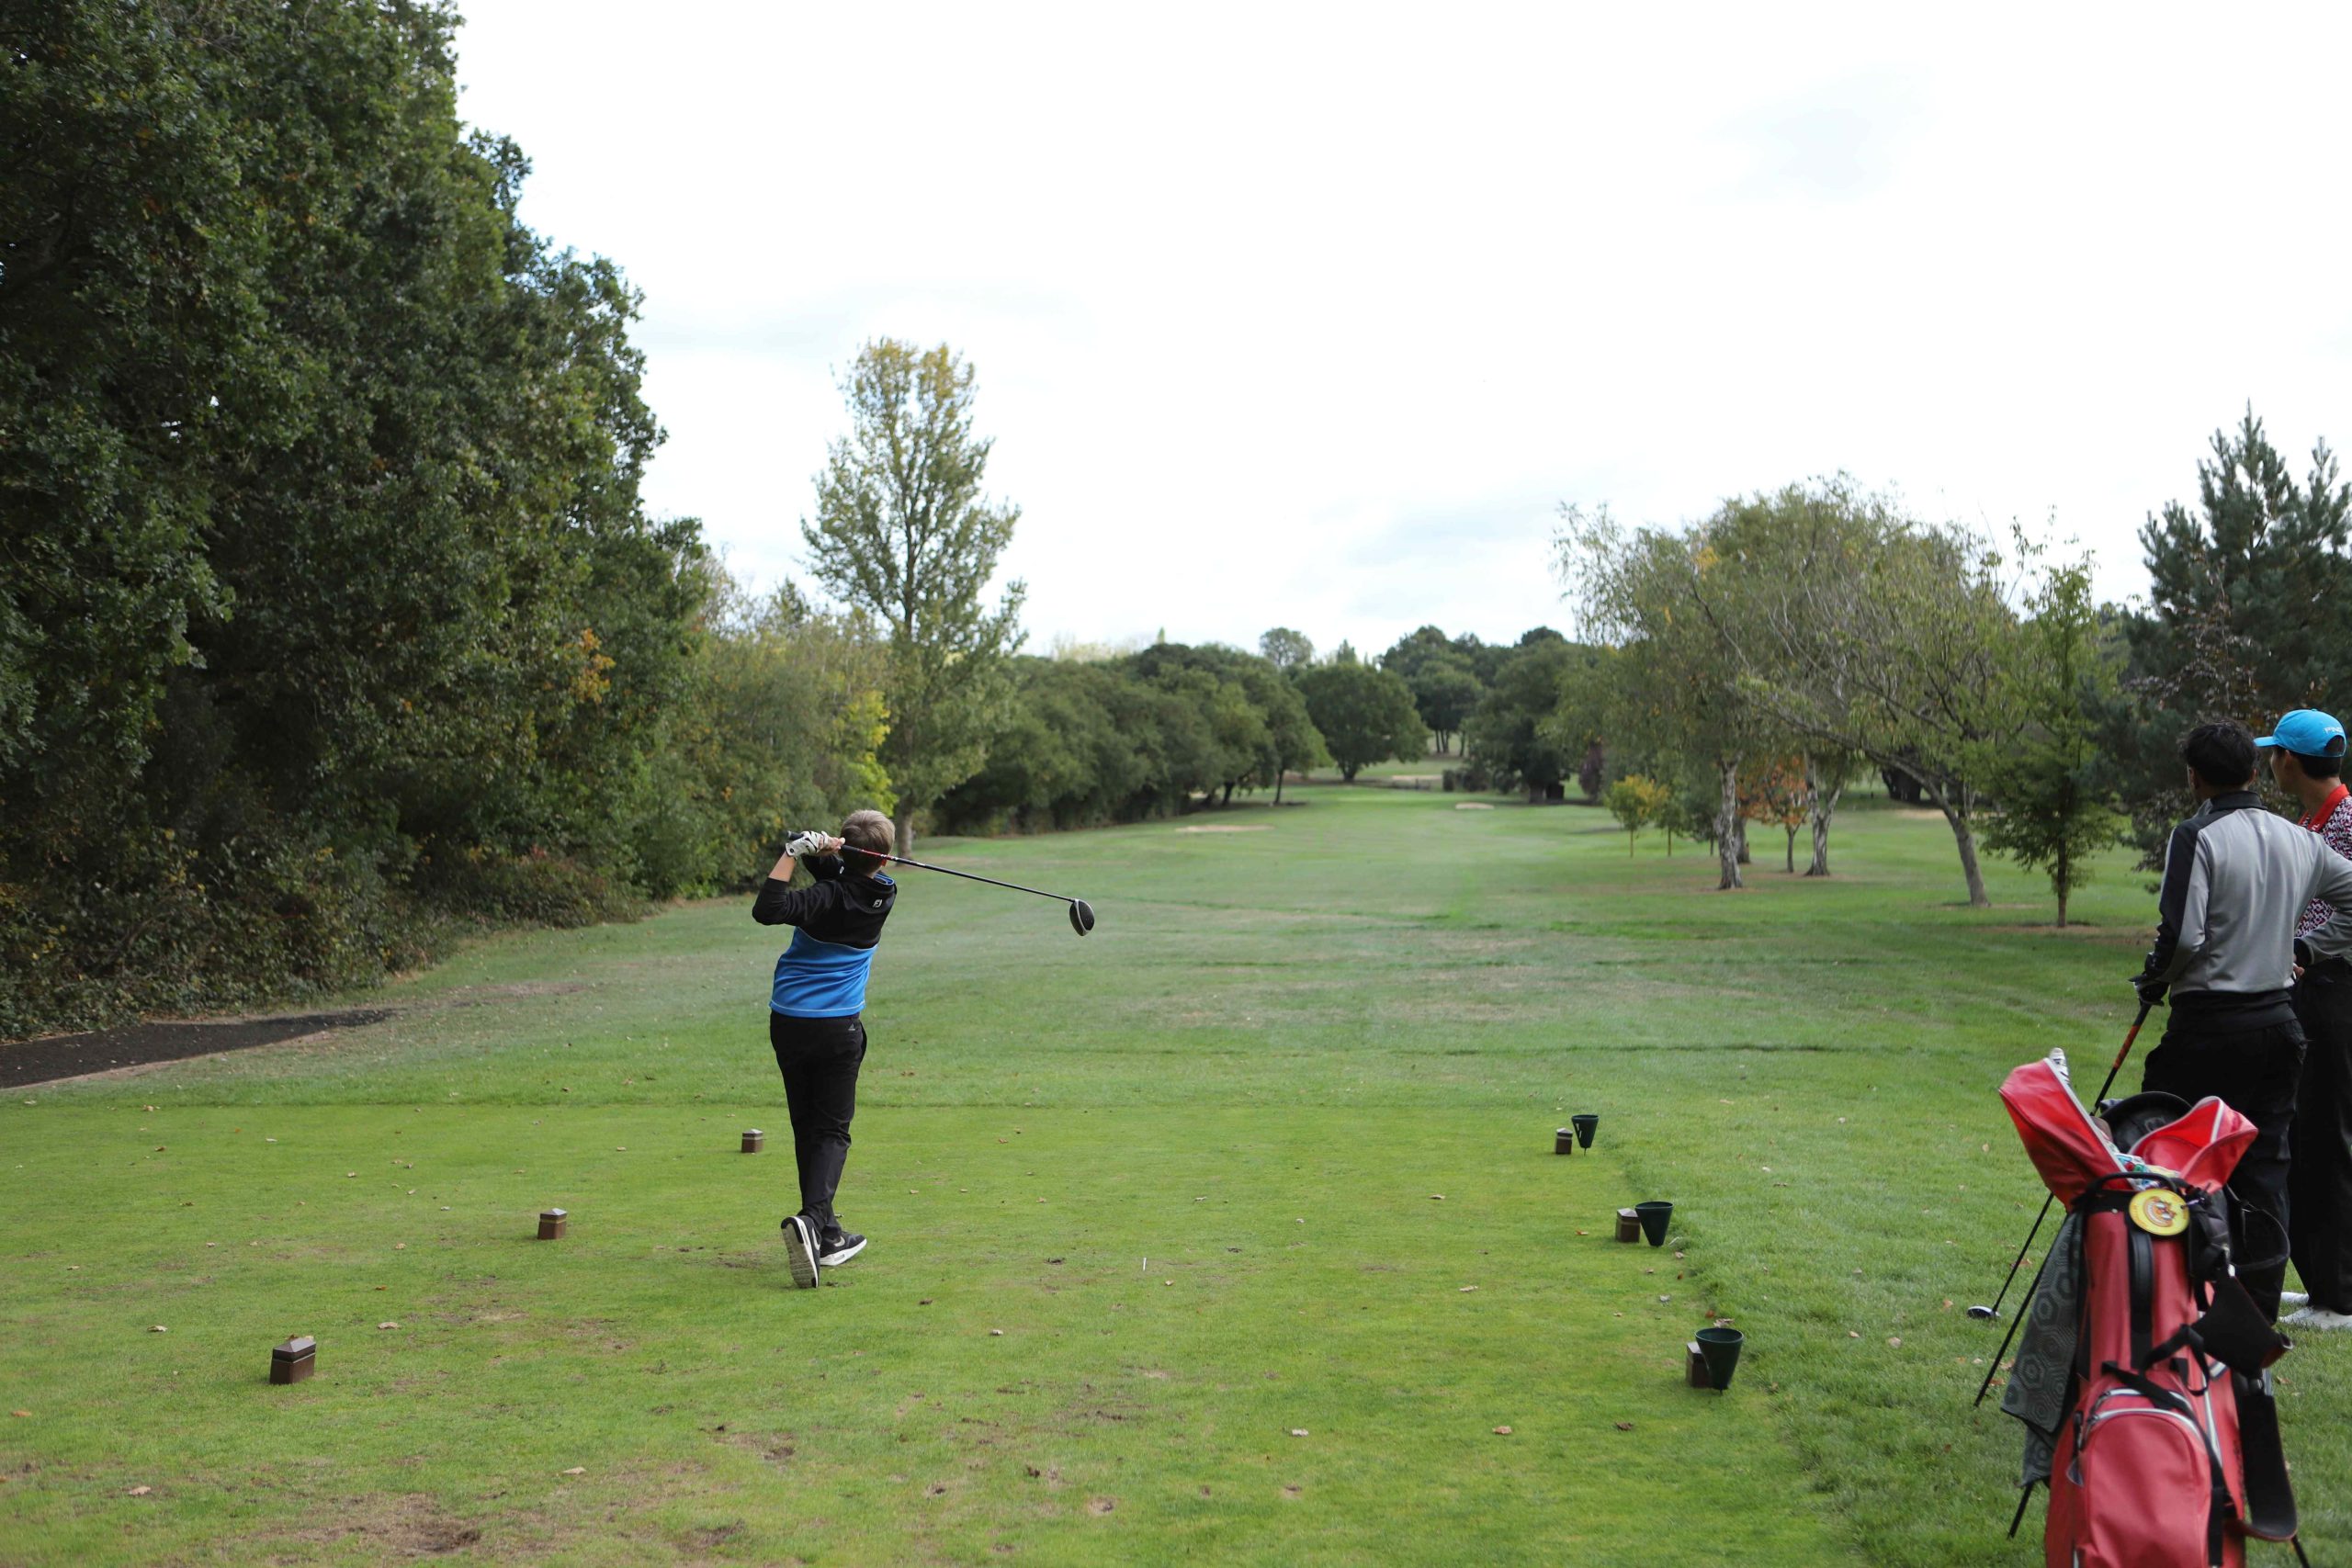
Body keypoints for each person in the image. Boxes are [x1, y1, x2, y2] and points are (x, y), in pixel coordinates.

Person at [2132, 720, 2352, 1321]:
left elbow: (2184, 937)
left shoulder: (2196, 834)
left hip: (2207, 1023)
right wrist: (2304, 949)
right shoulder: (2298, 836)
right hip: (2279, 1023)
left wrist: (2155, 977)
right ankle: (2253, 1312)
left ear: (2195, 777)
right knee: (2264, 1167)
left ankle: (2172, 1290)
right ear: (2256, 772)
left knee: (2168, 1150)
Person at [752, 809, 898, 1289]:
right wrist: (824, 850)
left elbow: (769, 908)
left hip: (789, 1022)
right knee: (832, 1131)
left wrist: (794, 852)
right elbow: (839, 878)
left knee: (806, 1125)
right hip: (837, 1029)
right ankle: (815, 1223)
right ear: (882, 859)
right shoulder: (882, 893)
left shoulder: (823, 898)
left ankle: (828, 1233)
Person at [2266, 709, 2352, 1330]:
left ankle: (2340, 1295)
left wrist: (2305, 949)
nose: (2270, 762)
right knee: (2304, 1135)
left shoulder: (2347, 821)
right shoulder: (2314, 820)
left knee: (2328, 1136)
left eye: (2273, 752)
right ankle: (2321, 1279)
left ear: (2289, 761)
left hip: (2334, 992)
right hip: (2313, 990)